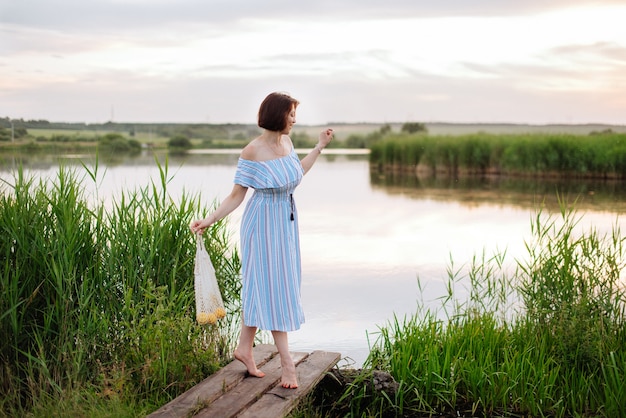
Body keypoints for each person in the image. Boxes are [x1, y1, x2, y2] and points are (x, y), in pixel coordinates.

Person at [190, 92, 333, 389]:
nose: (294, 120)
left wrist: (319, 147)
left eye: (295, 114)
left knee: (265, 285)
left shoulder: (287, 143)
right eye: (291, 114)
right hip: (262, 224)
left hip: (286, 222)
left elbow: (297, 173)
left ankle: (244, 348)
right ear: (277, 115)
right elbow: (236, 195)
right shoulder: (252, 152)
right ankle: (288, 364)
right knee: (274, 288)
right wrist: (209, 220)